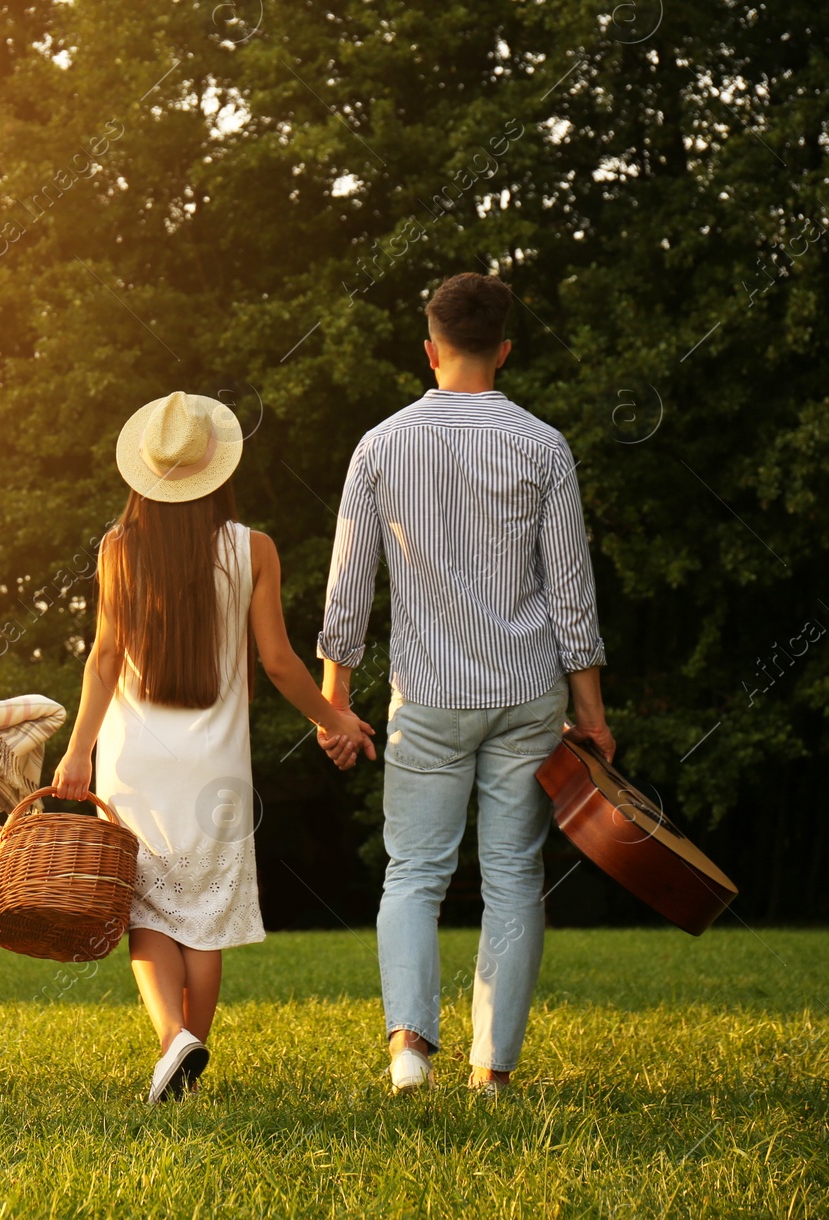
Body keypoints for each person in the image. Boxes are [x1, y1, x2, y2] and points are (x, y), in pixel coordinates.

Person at [316, 271, 614, 1098]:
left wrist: (334, 703)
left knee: (413, 872)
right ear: (505, 349)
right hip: (528, 696)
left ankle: (410, 1049)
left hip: (430, 696)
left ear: (430, 346)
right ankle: (494, 1074)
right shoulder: (543, 446)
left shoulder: (380, 445)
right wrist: (591, 712)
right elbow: (571, 595)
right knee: (514, 876)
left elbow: (348, 592)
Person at [52, 391, 376, 1103]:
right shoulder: (253, 548)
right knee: (205, 916)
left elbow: (103, 660)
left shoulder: (117, 548)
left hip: (133, 757)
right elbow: (280, 662)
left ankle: (174, 1043)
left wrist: (78, 752)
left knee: (148, 909)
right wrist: (336, 719)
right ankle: (185, 1055)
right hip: (215, 765)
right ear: (215, 469)